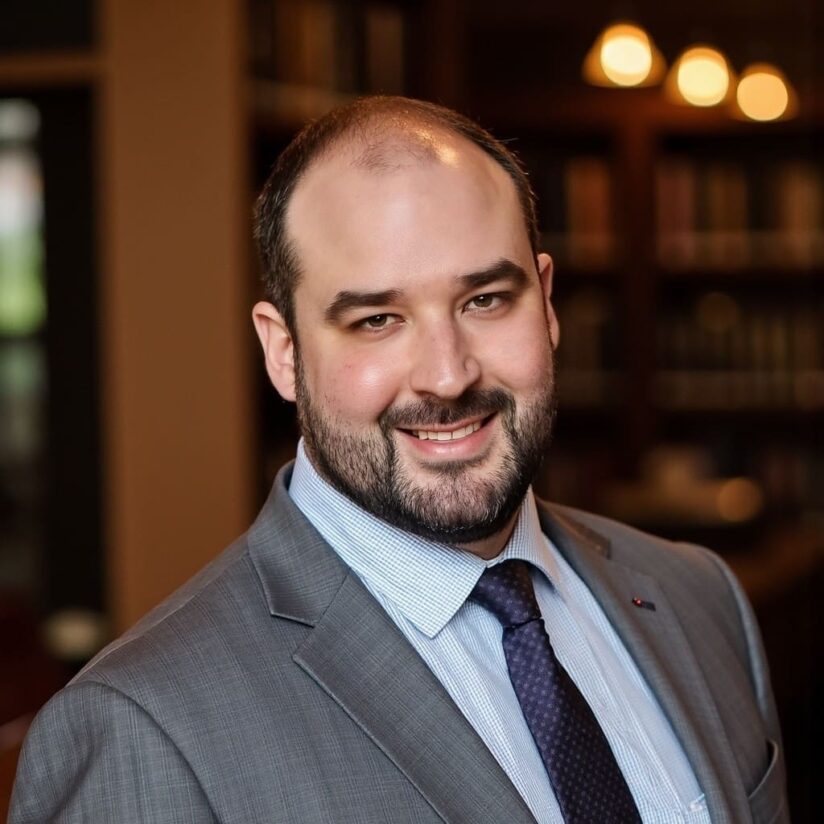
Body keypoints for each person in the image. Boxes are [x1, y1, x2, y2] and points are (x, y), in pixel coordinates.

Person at [11, 96, 787, 824]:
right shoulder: (142, 729)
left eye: (485, 300)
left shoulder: (700, 601)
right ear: (284, 352)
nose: (448, 376)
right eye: (377, 319)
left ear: (546, 303)